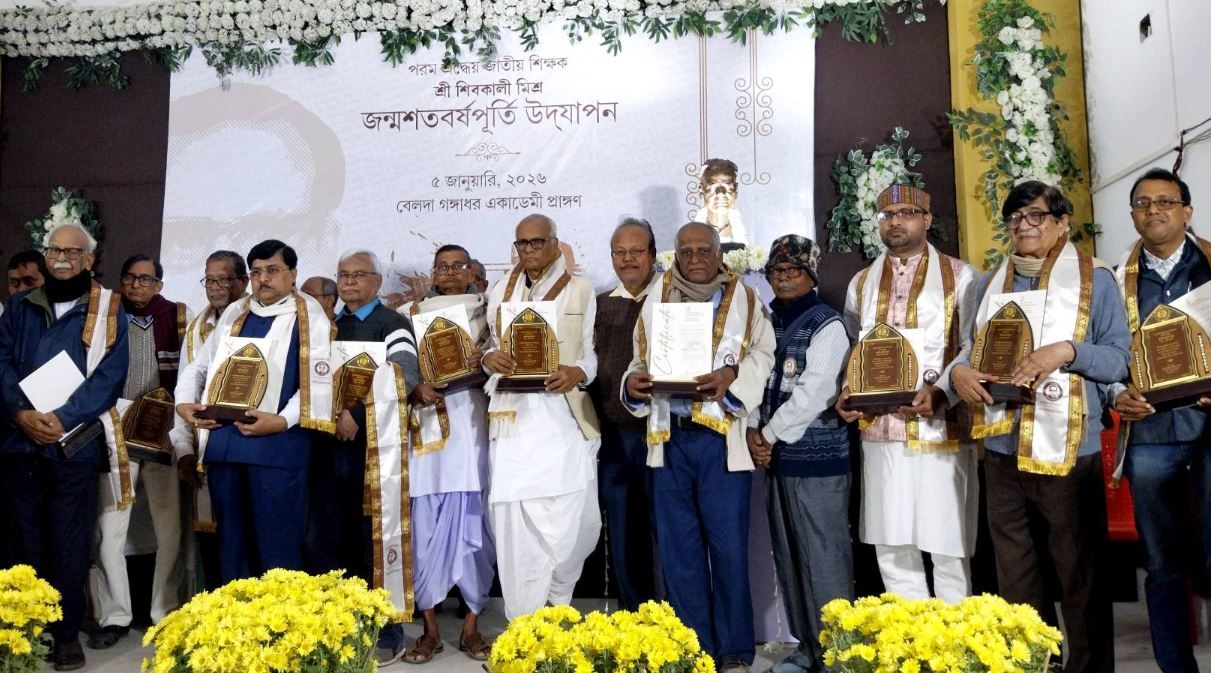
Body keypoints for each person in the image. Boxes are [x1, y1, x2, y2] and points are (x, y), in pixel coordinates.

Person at [949, 181, 1129, 673]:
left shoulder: (1096, 279)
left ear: (1061, 223)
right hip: (1002, 446)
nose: (1023, 227)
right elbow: (971, 348)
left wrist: (1066, 352)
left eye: (1034, 217)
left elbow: (1118, 360)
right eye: (1014, 219)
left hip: (1068, 449)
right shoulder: (990, 282)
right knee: (1016, 572)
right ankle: (1034, 662)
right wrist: (959, 372)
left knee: (1080, 574)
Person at [623, 222, 774, 673]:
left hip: (720, 437)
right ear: (674, 256)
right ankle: (693, 647)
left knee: (728, 547)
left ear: (719, 254)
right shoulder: (657, 297)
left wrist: (730, 380)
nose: (694, 258)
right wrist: (635, 382)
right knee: (679, 549)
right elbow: (638, 357)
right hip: (669, 437)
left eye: (703, 249)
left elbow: (764, 355)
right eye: (685, 251)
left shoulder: (745, 299)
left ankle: (733, 650)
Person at [836, 184, 979, 602]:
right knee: (892, 541)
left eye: (907, 212)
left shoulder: (961, 275)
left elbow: (973, 343)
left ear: (927, 219)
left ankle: (956, 649)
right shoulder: (861, 282)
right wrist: (849, 389)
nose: (896, 221)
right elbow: (855, 345)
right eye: (887, 214)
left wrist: (942, 391)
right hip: (880, 428)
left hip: (940, 426)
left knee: (947, 543)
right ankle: (911, 645)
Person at [0, 223, 129, 671]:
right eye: (54, 249)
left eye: (72, 252)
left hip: (73, 445)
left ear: (89, 259)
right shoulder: (19, 307)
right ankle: (25, 630)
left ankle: (66, 634)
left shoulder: (111, 313)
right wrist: (20, 413)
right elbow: (0, 364)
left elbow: (109, 379)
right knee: (24, 542)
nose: (61, 258)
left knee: (69, 545)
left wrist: (62, 418)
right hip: (20, 442)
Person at [175, 240, 334, 582]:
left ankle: (278, 629)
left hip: (279, 446)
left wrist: (280, 421)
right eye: (257, 272)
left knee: (277, 544)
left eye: (273, 270)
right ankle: (235, 626)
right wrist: (184, 402)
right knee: (230, 542)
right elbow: (201, 366)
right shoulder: (237, 311)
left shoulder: (308, 315)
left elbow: (317, 381)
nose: (264, 279)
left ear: (293, 274)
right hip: (227, 443)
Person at [1111, 167, 1207, 673]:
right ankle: (1175, 667)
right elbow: (1105, 350)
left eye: (1166, 201)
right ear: (1133, 215)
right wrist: (1114, 389)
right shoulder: (1113, 280)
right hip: (1149, 433)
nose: (1155, 210)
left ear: (1187, 211)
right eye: (1143, 203)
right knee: (1164, 565)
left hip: (1210, 430)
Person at [482, 214, 601, 618]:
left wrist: (577, 372)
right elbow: (488, 347)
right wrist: (488, 358)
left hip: (561, 415)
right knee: (515, 522)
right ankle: (523, 625)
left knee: (574, 523)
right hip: (512, 419)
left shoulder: (582, 290)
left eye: (537, 242)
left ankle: (557, 608)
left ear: (554, 243)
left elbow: (592, 354)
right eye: (522, 244)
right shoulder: (500, 290)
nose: (529, 250)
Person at [304, 248, 419, 663]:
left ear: (377, 282)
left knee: (371, 539)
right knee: (326, 540)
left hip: (372, 450)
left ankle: (384, 629)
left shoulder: (393, 323)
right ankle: (336, 628)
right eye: (343, 275)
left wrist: (356, 413)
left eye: (359, 275)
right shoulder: (325, 325)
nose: (349, 282)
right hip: (324, 447)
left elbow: (405, 371)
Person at [746, 235, 851, 673]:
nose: (784, 278)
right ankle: (807, 650)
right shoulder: (766, 321)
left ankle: (838, 655)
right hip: (779, 461)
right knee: (790, 557)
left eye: (793, 271)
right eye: (776, 271)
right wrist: (753, 429)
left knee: (823, 559)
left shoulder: (826, 323)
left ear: (811, 275)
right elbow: (752, 377)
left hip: (818, 461)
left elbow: (816, 392)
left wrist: (767, 435)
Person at [401, 244, 495, 663]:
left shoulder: (489, 312)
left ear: (472, 270)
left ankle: (472, 626)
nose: (451, 272)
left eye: (459, 265)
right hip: (424, 427)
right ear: (433, 272)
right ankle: (430, 629)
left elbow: (501, 364)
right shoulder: (410, 314)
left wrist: (479, 366)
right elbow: (400, 366)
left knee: (473, 516)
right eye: (443, 266)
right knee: (424, 521)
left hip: (471, 421)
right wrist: (415, 384)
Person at [90, 255, 188, 650]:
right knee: (110, 527)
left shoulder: (179, 316)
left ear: (159, 285)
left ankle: (165, 613)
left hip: (163, 428)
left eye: (146, 279)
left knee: (170, 527)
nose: (136, 285)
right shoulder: (104, 316)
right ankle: (114, 616)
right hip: (114, 426)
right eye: (129, 277)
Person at [590, 219, 660, 610]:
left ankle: (672, 620)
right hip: (613, 438)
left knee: (665, 530)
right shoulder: (598, 304)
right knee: (622, 531)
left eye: (637, 251)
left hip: (662, 433)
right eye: (620, 252)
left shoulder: (671, 299)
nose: (628, 259)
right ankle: (633, 617)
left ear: (653, 253)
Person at [170, 250, 248, 592]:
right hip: (205, 445)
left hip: (244, 441)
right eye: (209, 280)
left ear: (243, 282)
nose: (215, 287)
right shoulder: (197, 328)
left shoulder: (254, 317)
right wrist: (184, 448)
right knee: (212, 536)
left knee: (244, 531)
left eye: (224, 279)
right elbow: (187, 384)